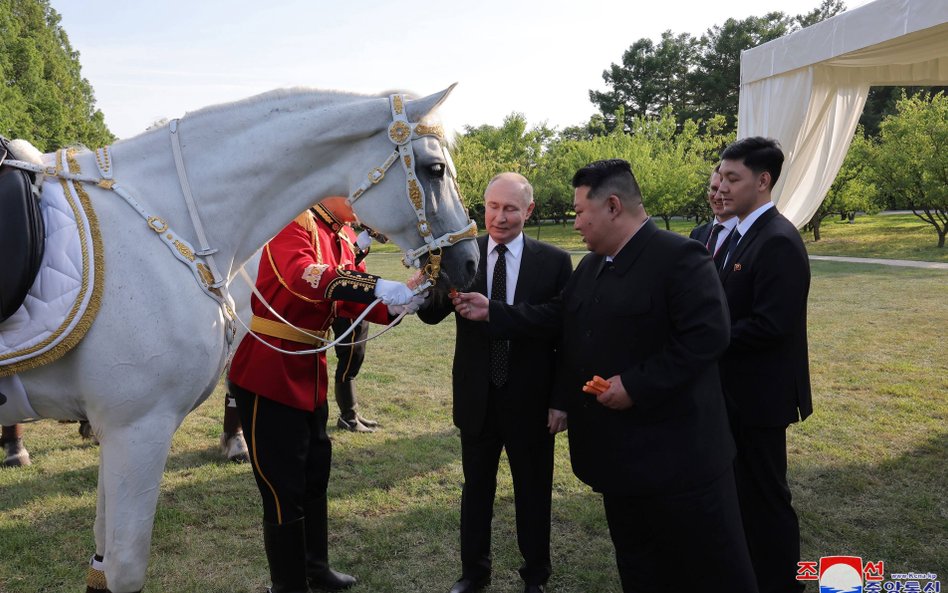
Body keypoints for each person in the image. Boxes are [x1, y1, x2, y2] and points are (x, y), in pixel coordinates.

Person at [455, 159, 758, 593]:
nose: (575, 223)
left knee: (708, 571)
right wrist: (494, 311)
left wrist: (635, 384)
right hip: (622, 464)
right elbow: (558, 316)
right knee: (639, 566)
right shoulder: (595, 265)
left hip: (680, 467)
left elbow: (707, 338)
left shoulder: (680, 257)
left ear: (613, 206)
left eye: (580, 212)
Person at [227, 199, 424, 593]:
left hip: (307, 369)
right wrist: (379, 287)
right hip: (271, 370)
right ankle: (288, 585)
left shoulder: (341, 235)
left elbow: (350, 299)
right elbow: (303, 275)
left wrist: (402, 302)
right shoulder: (289, 219)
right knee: (282, 487)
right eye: (350, 193)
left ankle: (314, 568)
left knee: (315, 476)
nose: (359, 202)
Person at [418, 173, 572, 593]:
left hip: (532, 401)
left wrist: (561, 401)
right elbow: (430, 316)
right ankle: (473, 574)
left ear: (529, 211)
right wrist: (431, 279)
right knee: (476, 492)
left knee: (533, 494)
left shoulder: (554, 262)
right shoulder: (465, 256)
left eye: (510, 208)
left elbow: (561, 328)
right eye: (491, 207)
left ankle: (535, 576)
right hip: (477, 398)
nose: (499, 217)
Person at [716, 137, 812, 593]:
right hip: (732, 392)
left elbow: (771, 325)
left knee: (767, 497)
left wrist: (703, 339)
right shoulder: (738, 234)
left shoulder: (777, 239)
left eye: (733, 178)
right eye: (722, 176)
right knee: (740, 495)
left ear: (763, 180)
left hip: (760, 396)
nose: (723, 186)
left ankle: (781, 583)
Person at [219, 216, 381, 462]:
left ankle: (348, 412)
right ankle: (235, 430)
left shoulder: (336, 229)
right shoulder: (293, 225)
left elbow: (345, 268)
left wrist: (389, 298)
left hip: (320, 335)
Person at [690, 166, 738, 269]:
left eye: (723, 190)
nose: (717, 196)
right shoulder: (696, 234)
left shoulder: (745, 235)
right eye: (714, 189)